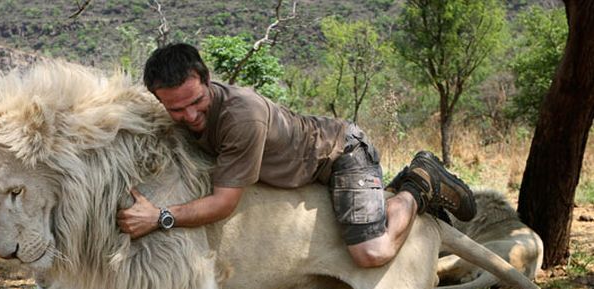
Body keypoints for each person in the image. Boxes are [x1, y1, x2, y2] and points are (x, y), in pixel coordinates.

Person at [117, 43, 476, 268]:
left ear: (208, 79)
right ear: (159, 100)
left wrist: (160, 217)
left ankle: (418, 183)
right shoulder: (174, 112)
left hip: (340, 154)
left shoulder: (241, 116)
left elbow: (224, 203)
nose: (191, 116)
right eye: (177, 109)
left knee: (372, 253)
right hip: (300, 160)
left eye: (197, 101)